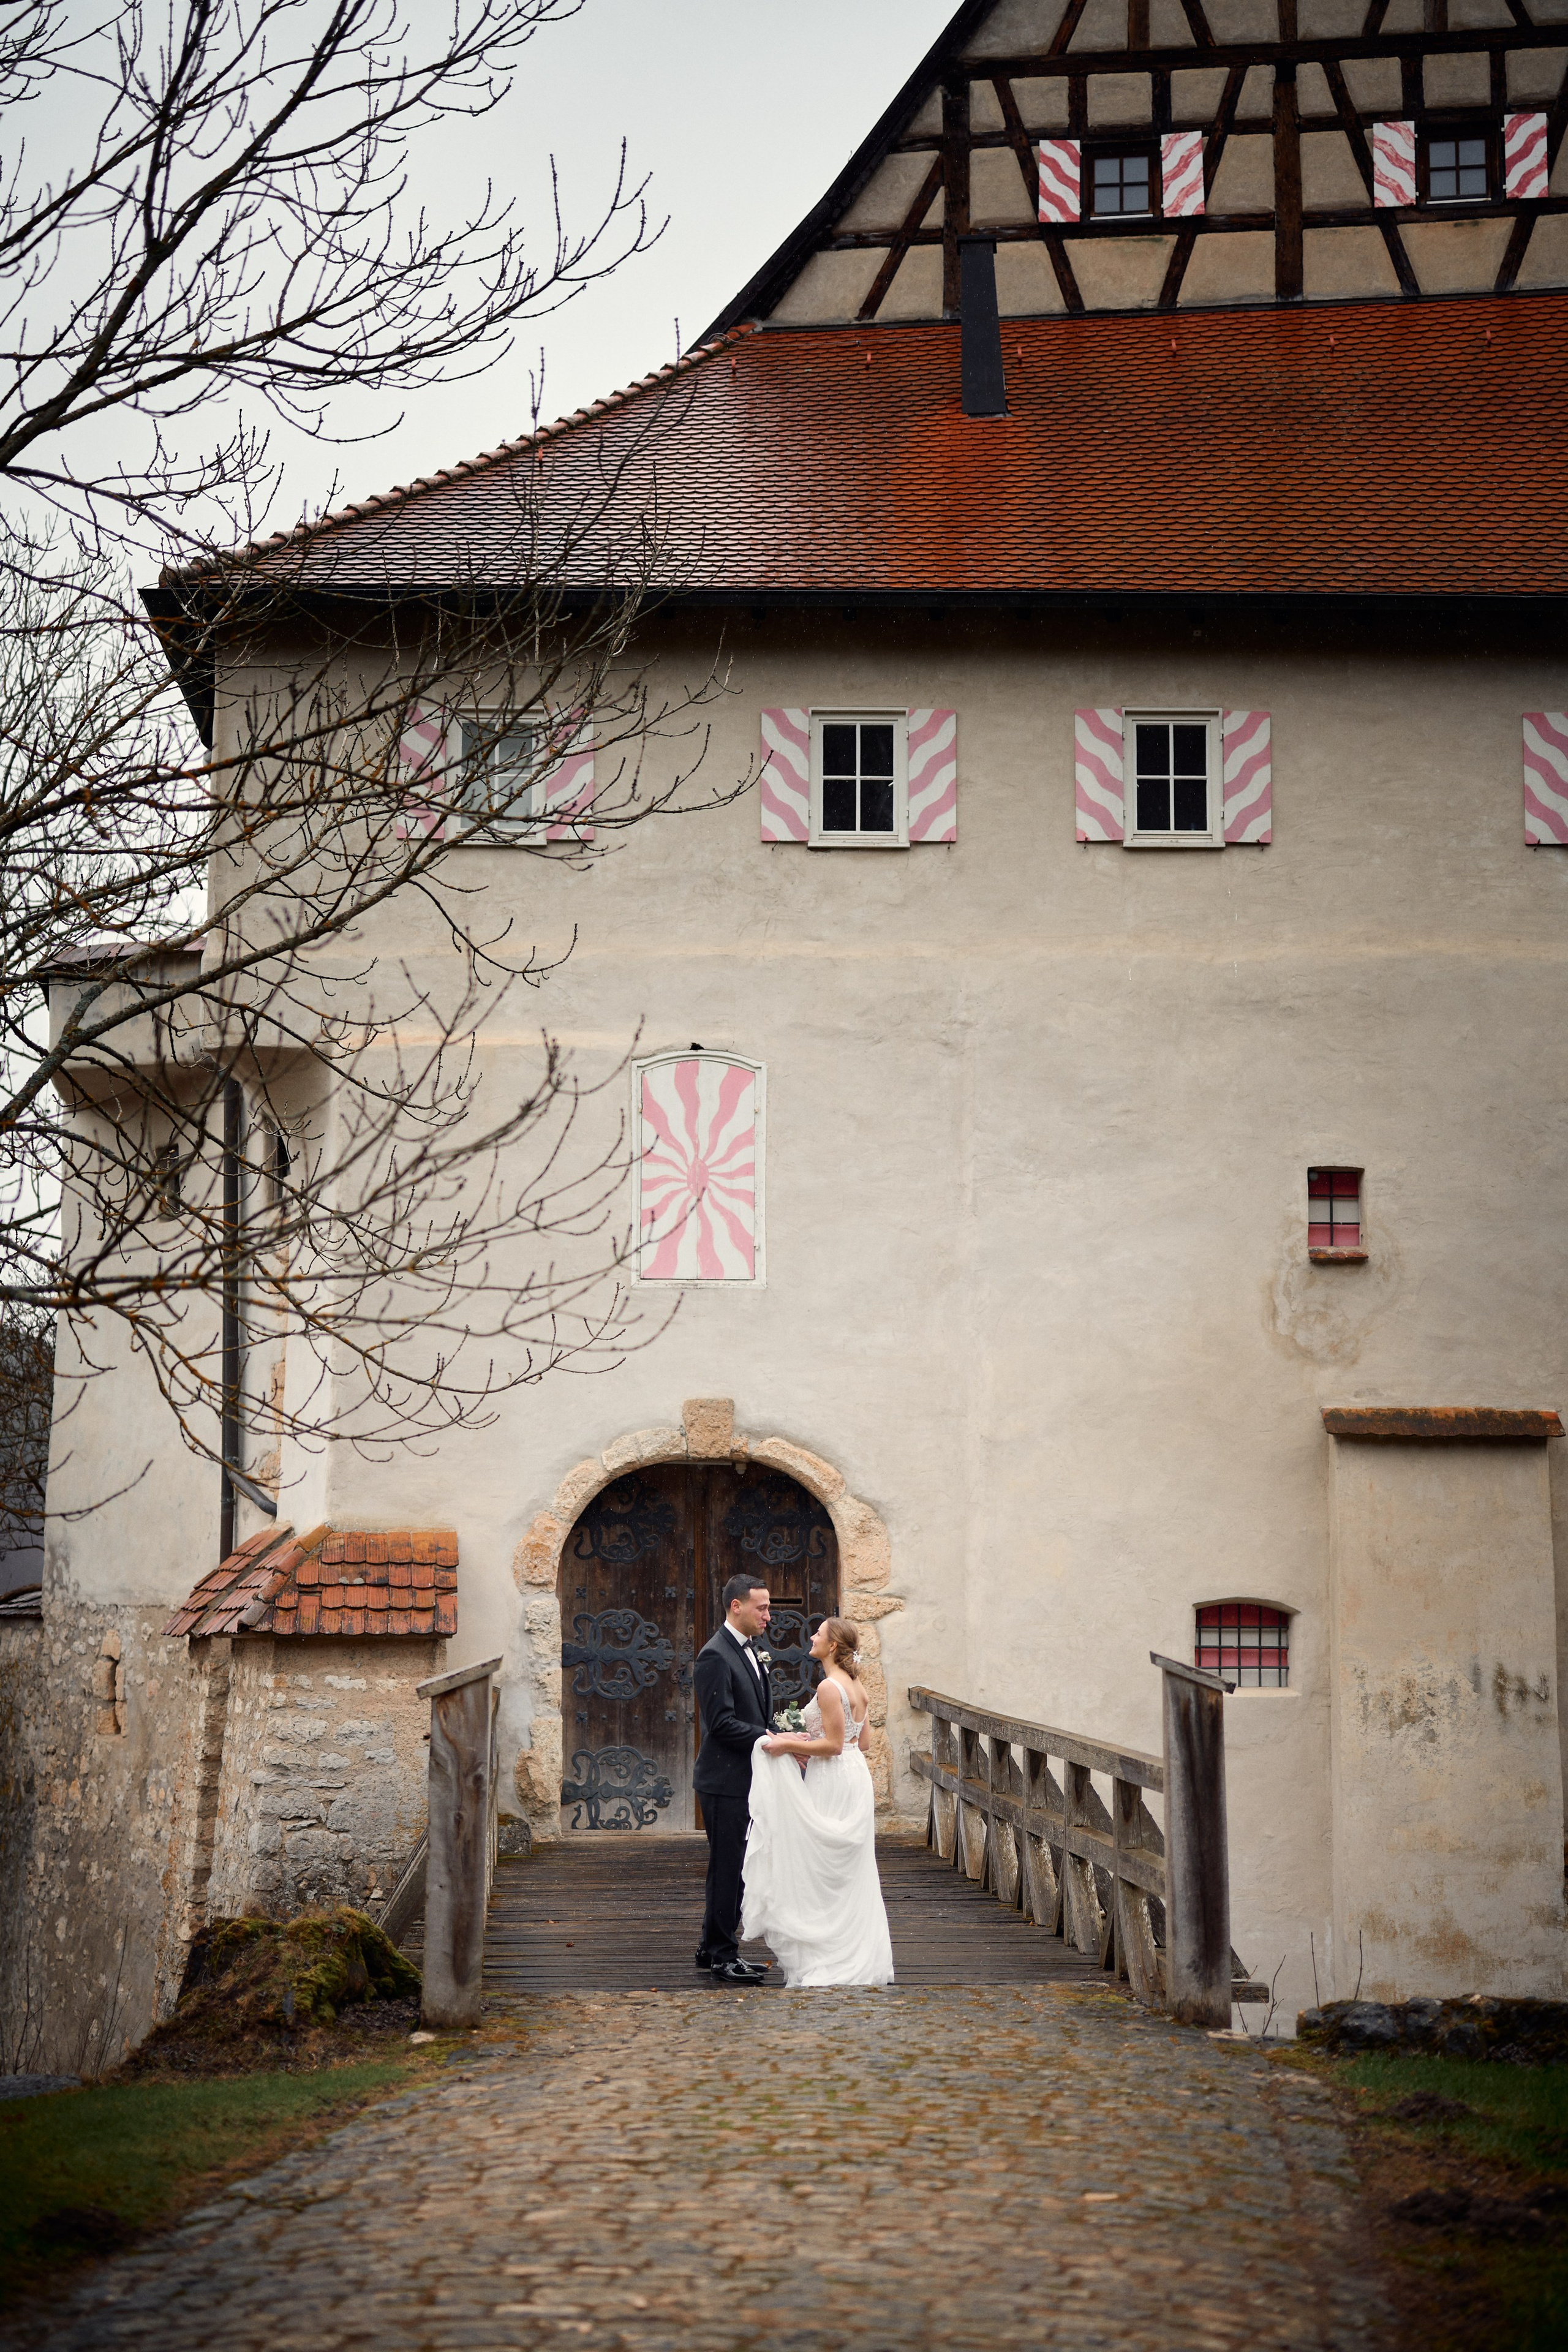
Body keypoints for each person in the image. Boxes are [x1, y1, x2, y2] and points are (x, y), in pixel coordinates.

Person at [741, 1616, 894, 1988]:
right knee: (846, 1867)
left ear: (833, 1646)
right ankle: (849, 1950)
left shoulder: (829, 1687)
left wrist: (786, 1744)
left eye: (819, 1634)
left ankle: (827, 1954)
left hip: (833, 1778)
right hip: (855, 1776)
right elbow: (864, 1744)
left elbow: (832, 1746)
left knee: (820, 1863)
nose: (812, 1637)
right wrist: (807, 1734)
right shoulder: (857, 1686)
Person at [692, 1572, 774, 1983]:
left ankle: (711, 1949)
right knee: (728, 1870)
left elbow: (753, 1713)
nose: (768, 1616)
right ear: (736, 1606)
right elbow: (721, 1724)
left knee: (731, 1867)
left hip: (743, 1779)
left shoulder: (750, 1650)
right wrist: (770, 1737)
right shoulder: (715, 1655)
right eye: (761, 1608)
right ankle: (725, 1955)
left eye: (769, 1608)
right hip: (723, 1782)